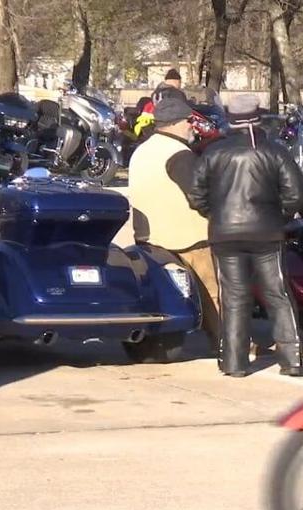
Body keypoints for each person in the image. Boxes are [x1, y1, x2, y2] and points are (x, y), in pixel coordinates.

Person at [188, 94, 303, 377]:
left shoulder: (214, 152)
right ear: (257, 117)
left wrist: (216, 214)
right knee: (277, 294)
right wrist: (280, 216)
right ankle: (291, 359)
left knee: (234, 297)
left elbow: (196, 196)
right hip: (267, 233)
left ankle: (234, 362)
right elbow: (296, 193)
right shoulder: (274, 151)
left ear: (230, 119)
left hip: (225, 233)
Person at [129, 96, 221, 352]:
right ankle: (228, 342)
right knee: (213, 293)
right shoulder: (179, 154)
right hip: (188, 237)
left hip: (150, 237)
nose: (193, 126)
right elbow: (198, 195)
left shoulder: (142, 151)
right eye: (188, 121)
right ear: (174, 123)